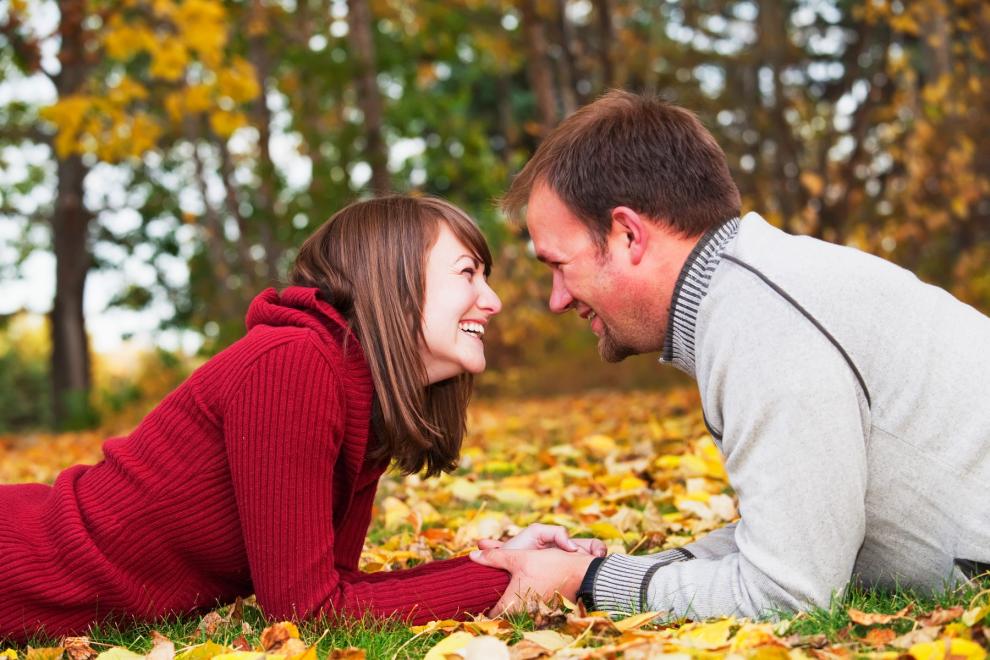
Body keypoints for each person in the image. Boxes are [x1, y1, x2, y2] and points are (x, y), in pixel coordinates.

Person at [470, 90, 990, 620]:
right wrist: (629, 567)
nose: (557, 300)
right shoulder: (751, 291)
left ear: (628, 235)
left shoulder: (765, 327)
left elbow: (788, 593)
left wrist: (590, 582)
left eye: (559, 264)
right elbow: (798, 528)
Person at [0, 195, 591, 643]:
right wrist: (516, 582)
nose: (493, 301)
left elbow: (334, 591)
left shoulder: (360, 393)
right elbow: (307, 614)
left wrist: (500, 561)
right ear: (396, 284)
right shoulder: (294, 366)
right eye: (468, 274)